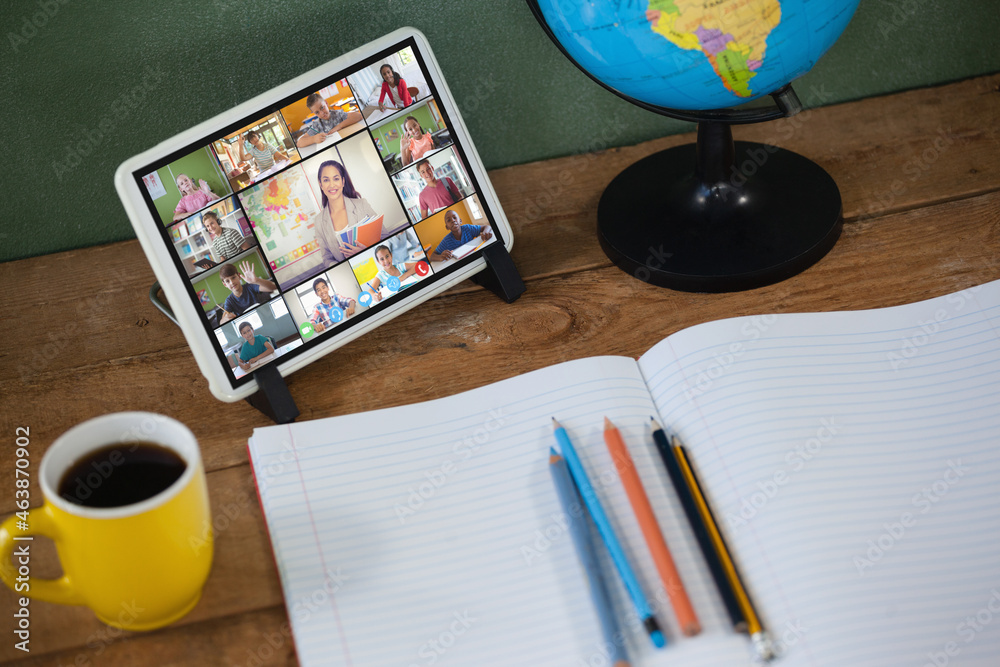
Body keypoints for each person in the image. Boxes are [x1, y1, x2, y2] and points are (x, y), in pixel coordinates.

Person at [313, 160, 379, 264]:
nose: (331, 185)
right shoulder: (318, 221)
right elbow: (327, 258)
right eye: (326, 180)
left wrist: (366, 250)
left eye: (336, 179)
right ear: (320, 184)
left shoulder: (361, 205)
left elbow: (383, 237)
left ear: (343, 182)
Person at [296, 94, 363, 148]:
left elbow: (359, 116)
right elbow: (299, 143)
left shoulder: (337, 114)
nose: (322, 113)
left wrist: (339, 126)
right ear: (314, 113)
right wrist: (313, 139)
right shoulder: (317, 125)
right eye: (317, 112)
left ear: (326, 103)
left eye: (322, 107)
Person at [428, 210, 493, 262]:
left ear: (460, 221)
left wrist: (485, 232)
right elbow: (432, 257)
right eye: (449, 220)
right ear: (447, 227)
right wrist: (441, 257)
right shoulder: (446, 241)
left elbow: (487, 226)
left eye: (455, 218)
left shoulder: (468, 228)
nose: (453, 220)